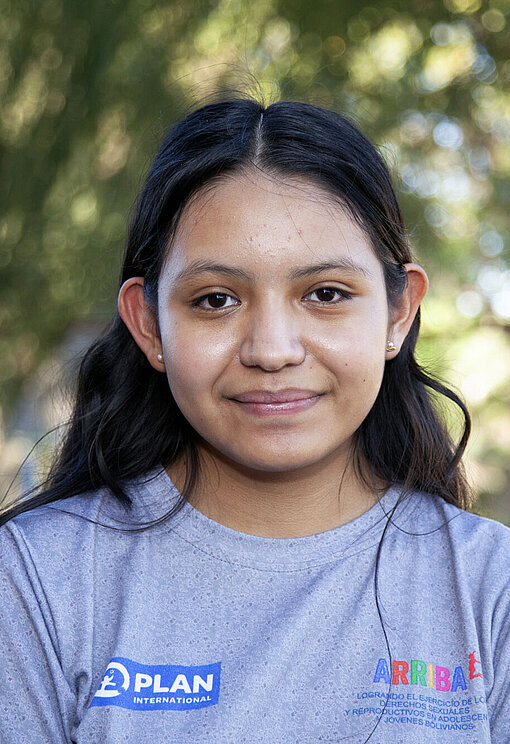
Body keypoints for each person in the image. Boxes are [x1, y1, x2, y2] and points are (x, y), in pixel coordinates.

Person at [0, 98, 508, 744]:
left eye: (325, 294)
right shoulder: (37, 583)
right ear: (149, 324)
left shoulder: (490, 590)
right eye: (216, 299)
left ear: (397, 313)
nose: (272, 349)